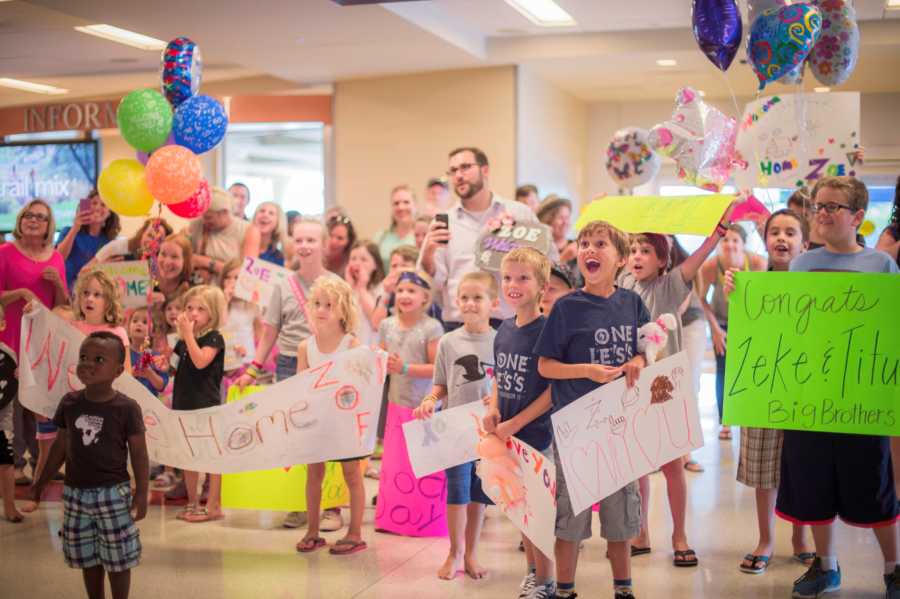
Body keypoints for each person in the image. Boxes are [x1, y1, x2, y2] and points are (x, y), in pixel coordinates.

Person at [775, 177, 900, 599]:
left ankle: (893, 568)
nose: (822, 212)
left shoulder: (881, 266)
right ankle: (826, 566)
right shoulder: (801, 265)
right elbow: (785, 328)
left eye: (834, 206)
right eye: (818, 205)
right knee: (812, 484)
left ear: (858, 217)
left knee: (874, 482)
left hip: (861, 399)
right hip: (809, 396)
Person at [534, 220, 649, 599]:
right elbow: (546, 366)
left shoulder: (631, 303)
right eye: (584, 243)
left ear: (620, 259)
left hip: (619, 427)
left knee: (620, 519)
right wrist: (585, 371)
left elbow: (650, 347)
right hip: (577, 429)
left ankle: (623, 589)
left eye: (601, 244)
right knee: (570, 520)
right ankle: (565, 590)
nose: (589, 250)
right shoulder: (566, 307)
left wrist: (638, 359)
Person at [619, 208, 735, 569]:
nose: (638, 256)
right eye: (634, 250)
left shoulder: (670, 285)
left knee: (671, 466)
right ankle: (640, 531)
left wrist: (716, 234)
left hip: (665, 387)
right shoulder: (623, 284)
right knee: (638, 466)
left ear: (662, 259)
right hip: (632, 385)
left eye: (646, 251)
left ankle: (679, 534)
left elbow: (696, 261)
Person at [718, 209, 814, 575]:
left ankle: (801, 537)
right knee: (762, 468)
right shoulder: (751, 282)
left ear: (804, 243)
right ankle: (766, 539)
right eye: (775, 231)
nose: (782, 238)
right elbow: (744, 331)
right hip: (763, 386)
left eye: (791, 232)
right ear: (765, 239)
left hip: (804, 386)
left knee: (803, 465)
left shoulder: (816, 283)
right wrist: (734, 295)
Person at [23, 331, 149, 599]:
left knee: (117, 557)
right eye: (83, 357)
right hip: (75, 494)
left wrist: (141, 493)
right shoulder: (70, 403)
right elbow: (60, 448)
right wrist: (39, 485)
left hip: (113, 494)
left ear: (117, 370)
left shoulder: (127, 408)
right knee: (87, 555)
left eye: (98, 359)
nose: (88, 363)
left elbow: (139, 454)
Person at [236, 218, 342, 531]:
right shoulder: (282, 285)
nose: (305, 246)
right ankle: (299, 502)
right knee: (294, 435)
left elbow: (347, 329)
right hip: (289, 366)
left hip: (328, 366)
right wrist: (254, 368)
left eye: (312, 240)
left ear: (323, 244)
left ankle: (332, 505)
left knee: (329, 437)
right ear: (292, 244)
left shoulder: (336, 284)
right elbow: (270, 331)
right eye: (300, 240)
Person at [414, 270, 498, 580]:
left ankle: (473, 553)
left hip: (487, 434)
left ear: (494, 303)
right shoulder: (449, 342)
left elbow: (504, 386)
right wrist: (429, 401)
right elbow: (440, 385)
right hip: (455, 431)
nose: (470, 304)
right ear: (456, 302)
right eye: (465, 298)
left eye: (478, 298)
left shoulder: (501, 341)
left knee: (478, 494)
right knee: (457, 492)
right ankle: (455, 552)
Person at [484, 249, 556, 598]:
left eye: (523, 278)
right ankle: (533, 573)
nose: (513, 285)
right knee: (521, 512)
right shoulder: (504, 330)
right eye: (508, 278)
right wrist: (495, 410)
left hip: (537, 437)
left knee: (538, 515)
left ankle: (547, 581)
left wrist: (516, 423)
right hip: (507, 436)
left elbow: (551, 393)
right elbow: (499, 375)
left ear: (542, 285)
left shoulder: (547, 331)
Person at [419, 147, 552, 332]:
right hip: (459, 327)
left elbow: (548, 261)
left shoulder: (518, 213)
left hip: (512, 325)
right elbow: (435, 282)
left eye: (465, 167)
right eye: (453, 171)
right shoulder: (444, 221)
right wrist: (427, 253)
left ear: (485, 170)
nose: (458, 175)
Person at [294, 277, 368, 555]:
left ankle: (355, 532)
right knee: (314, 473)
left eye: (329, 304)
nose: (322, 309)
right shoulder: (305, 347)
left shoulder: (351, 344)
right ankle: (312, 530)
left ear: (343, 310)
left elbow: (359, 385)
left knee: (352, 474)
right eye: (317, 304)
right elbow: (299, 385)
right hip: (316, 421)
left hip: (344, 422)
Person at [0, 200, 68, 488]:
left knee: (39, 404)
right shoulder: (5, 253)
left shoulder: (56, 259)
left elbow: (64, 305)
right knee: (12, 405)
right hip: (9, 340)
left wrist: (57, 286)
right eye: (28, 214)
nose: (33, 220)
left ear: (48, 225)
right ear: (20, 220)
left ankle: (44, 464)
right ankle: (14, 464)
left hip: (41, 343)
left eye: (41, 217)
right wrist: (21, 292)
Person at [375, 269, 444, 534]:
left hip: (422, 406)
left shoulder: (431, 327)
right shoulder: (387, 325)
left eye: (411, 291)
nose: (404, 295)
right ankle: (393, 518)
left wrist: (404, 368)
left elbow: (436, 369)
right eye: (401, 290)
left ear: (425, 296)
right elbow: (382, 360)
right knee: (396, 463)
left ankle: (422, 520)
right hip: (395, 403)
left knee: (422, 463)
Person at [698, 224, 766, 440]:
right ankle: (725, 420)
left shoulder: (756, 263)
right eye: (725, 240)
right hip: (722, 322)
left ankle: (748, 416)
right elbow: (701, 298)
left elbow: (762, 298)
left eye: (735, 240)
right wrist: (715, 329)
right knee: (724, 370)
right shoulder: (711, 266)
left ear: (743, 244)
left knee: (749, 370)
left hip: (750, 322)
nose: (730, 244)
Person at [170, 285, 227, 523]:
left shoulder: (213, 338)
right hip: (183, 404)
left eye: (200, 309)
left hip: (206, 405)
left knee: (210, 456)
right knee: (188, 457)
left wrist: (188, 336)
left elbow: (201, 361)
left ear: (211, 314)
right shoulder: (182, 341)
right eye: (189, 308)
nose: (193, 313)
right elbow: (172, 368)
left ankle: (214, 505)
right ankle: (192, 502)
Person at [668, 236, 706, 473]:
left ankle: (686, 452)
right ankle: (667, 451)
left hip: (689, 324)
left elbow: (685, 302)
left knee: (688, 386)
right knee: (664, 391)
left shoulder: (683, 262)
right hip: (660, 328)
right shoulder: (642, 257)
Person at [56, 190, 120, 291]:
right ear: (84, 207)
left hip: (92, 297)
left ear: (109, 214)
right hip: (64, 295)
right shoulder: (68, 231)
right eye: (94, 203)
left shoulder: (109, 243)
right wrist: (76, 227)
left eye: (103, 205)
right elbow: (58, 258)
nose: (97, 207)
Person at [189, 186, 251, 283]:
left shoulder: (246, 230)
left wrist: (204, 262)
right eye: (203, 217)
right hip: (200, 290)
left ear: (225, 212)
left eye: (209, 217)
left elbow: (246, 274)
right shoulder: (198, 224)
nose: (205, 221)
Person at [0, 303, 22, 522]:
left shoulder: (9, 355)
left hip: (1, 423)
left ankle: (10, 507)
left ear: (2, 324)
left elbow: (10, 390)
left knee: (6, 464)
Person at [345, 239, 385, 346]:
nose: (357, 263)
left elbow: (376, 321)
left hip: (370, 346)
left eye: (364, 259)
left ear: (375, 265)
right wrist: (350, 287)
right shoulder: (345, 289)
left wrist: (361, 287)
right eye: (353, 259)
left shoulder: (381, 289)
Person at [89, 218, 173, 265]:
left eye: (159, 240)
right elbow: (83, 273)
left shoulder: (161, 263)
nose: (152, 242)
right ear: (142, 234)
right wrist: (100, 267)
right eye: (150, 235)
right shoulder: (116, 247)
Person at [127, 307, 169, 398]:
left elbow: (161, 386)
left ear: (153, 331)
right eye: (135, 321)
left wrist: (150, 374)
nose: (139, 324)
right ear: (128, 329)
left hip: (149, 406)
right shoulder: (122, 353)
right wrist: (132, 372)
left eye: (145, 322)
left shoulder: (157, 357)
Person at [375, 185, 418, 265]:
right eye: (396, 203)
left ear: (415, 205)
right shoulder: (381, 237)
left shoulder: (424, 236)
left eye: (406, 202)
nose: (401, 207)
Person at [242, 201, 292, 267]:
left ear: (278, 221)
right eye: (262, 211)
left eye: (271, 213)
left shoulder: (278, 257)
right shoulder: (241, 240)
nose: (265, 215)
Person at [537, 196, 578, 265]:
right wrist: (562, 259)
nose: (565, 222)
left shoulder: (577, 246)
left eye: (567, 217)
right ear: (548, 221)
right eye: (561, 218)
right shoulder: (540, 250)